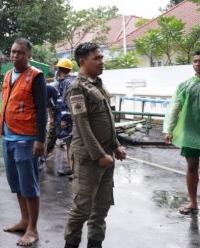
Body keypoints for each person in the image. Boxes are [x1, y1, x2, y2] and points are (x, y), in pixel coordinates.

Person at [62, 42, 126, 248]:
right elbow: (82, 124)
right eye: (96, 58)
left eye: (101, 58)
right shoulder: (77, 88)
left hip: (107, 156)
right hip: (89, 159)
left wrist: (115, 145)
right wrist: (99, 155)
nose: (101, 62)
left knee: (101, 208)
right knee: (81, 209)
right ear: (83, 62)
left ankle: (95, 244)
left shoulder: (97, 84)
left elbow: (107, 118)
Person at [0, 38, 46, 247]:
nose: (15, 56)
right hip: (8, 137)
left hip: (27, 139)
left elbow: (42, 111)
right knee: (16, 184)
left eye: (20, 53)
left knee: (29, 186)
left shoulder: (36, 76)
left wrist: (40, 140)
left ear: (29, 55)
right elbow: (4, 104)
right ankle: (24, 221)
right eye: (13, 52)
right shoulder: (7, 74)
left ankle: (33, 229)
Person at [163, 50, 200, 221]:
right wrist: (169, 129)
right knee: (191, 167)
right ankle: (193, 202)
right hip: (190, 133)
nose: (198, 64)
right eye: (195, 61)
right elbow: (175, 107)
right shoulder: (185, 85)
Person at [53, 58, 76, 176]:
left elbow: (64, 102)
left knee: (69, 143)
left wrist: (63, 119)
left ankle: (72, 169)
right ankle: (72, 168)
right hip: (75, 118)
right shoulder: (74, 80)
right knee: (71, 143)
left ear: (60, 70)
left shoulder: (66, 83)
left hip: (68, 119)